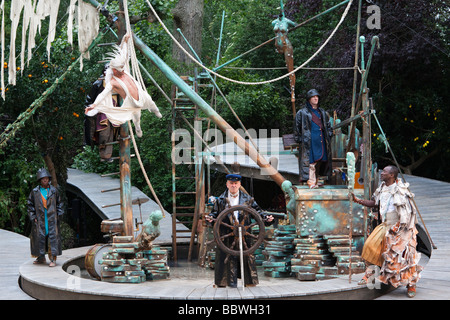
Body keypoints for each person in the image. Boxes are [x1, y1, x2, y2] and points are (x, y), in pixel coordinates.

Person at [352, 165, 423, 298]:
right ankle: (370, 274)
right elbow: (375, 203)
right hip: (386, 224)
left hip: (401, 227)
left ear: (392, 175)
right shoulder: (382, 188)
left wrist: (399, 226)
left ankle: (411, 284)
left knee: (405, 257)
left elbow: (407, 211)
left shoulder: (400, 190)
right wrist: (359, 201)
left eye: (384, 172)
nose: (381, 173)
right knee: (370, 246)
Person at [85, 33, 162, 138]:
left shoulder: (123, 68)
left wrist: (124, 41)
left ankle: (156, 112)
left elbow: (124, 53)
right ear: (114, 70)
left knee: (152, 103)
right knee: (137, 116)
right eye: (120, 68)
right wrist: (93, 105)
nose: (123, 69)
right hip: (132, 102)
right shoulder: (113, 82)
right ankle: (137, 127)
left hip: (141, 93)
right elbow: (103, 94)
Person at [205, 174, 274, 287]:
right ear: (227, 184)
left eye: (235, 183)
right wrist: (210, 218)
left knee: (247, 256)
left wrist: (266, 218)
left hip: (244, 233)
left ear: (239, 184)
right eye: (231, 183)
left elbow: (258, 212)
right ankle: (223, 282)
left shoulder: (248, 199)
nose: (233, 185)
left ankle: (249, 282)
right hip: (225, 233)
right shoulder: (220, 200)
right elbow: (214, 213)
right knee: (224, 257)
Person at [294, 88, 333, 188]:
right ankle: (311, 181)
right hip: (309, 141)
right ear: (309, 99)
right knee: (311, 161)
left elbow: (328, 125)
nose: (316, 99)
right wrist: (299, 139)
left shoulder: (322, 112)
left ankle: (315, 181)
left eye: (317, 97)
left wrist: (329, 133)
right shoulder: (302, 113)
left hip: (321, 140)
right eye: (313, 97)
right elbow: (297, 127)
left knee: (320, 160)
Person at [27, 168, 64, 267]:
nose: (45, 180)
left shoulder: (53, 190)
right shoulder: (35, 192)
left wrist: (58, 215)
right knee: (40, 237)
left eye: (47, 178)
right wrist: (33, 216)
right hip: (40, 218)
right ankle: (41, 257)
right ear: (40, 180)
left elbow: (60, 204)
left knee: (53, 237)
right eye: (43, 179)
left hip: (52, 217)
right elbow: (30, 205)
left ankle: (53, 259)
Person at [84, 63, 120, 161]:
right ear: (104, 73)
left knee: (112, 133)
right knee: (104, 132)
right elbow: (89, 98)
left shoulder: (117, 82)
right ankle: (102, 151)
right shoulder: (98, 84)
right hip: (102, 111)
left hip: (114, 110)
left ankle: (107, 156)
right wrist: (89, 108)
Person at [272, 1, 297, 117]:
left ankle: (293, 91)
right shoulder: (274, 22)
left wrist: (289, 29)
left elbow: (295, 25)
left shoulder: (287, 21)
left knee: (290, 69)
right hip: (278, 47)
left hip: (286, 46)